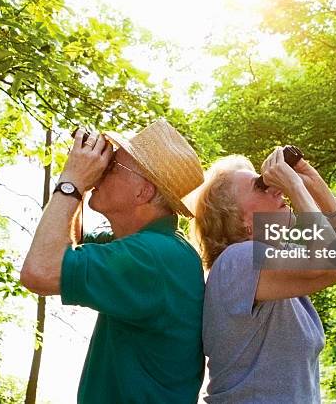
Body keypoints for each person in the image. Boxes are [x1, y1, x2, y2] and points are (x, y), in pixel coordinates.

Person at [20, 118, 206, 404]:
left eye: (112, 166)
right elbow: (67, 242)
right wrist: (79, 180)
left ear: (143, 192)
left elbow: (40, 271)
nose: (102, 171)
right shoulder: (155, 246)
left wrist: (72, 182)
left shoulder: (152, 256)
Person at [191, 147, 336, 403]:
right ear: (242, 220)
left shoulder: (278, 259)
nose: (276, 188)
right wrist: (295, 188)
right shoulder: (237, 261)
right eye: (260, 186)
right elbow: (328, 260)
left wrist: (313, 182)